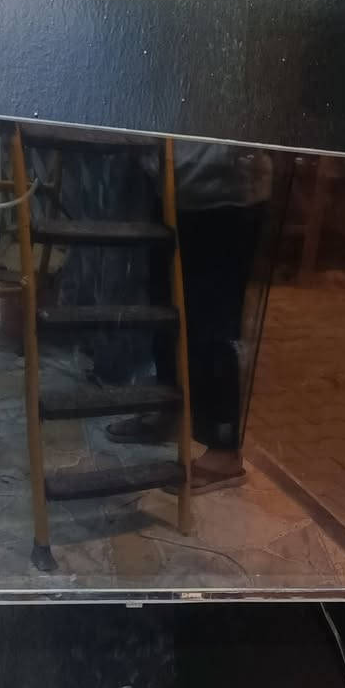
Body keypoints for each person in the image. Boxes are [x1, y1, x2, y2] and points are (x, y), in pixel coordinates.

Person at [107, 142, 274, 492]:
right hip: (174, 187)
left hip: (227, 197)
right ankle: (171, 412)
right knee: (164, 310)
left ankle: (224, 450)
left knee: (213, 325)